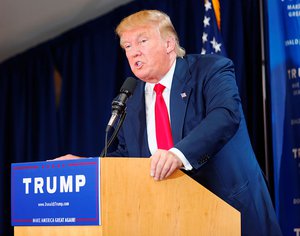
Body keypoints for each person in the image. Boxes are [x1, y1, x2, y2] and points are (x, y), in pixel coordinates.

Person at [58, 10, 282, 235]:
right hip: (172, 218)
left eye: (142, 41)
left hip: (231, 209)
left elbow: (224, 116)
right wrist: (86, 166)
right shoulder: (130, 101)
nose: (133, 51)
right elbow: (127, 157)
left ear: (169, 44)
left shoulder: (210, 70)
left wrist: (178, 154)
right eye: (127, 46)